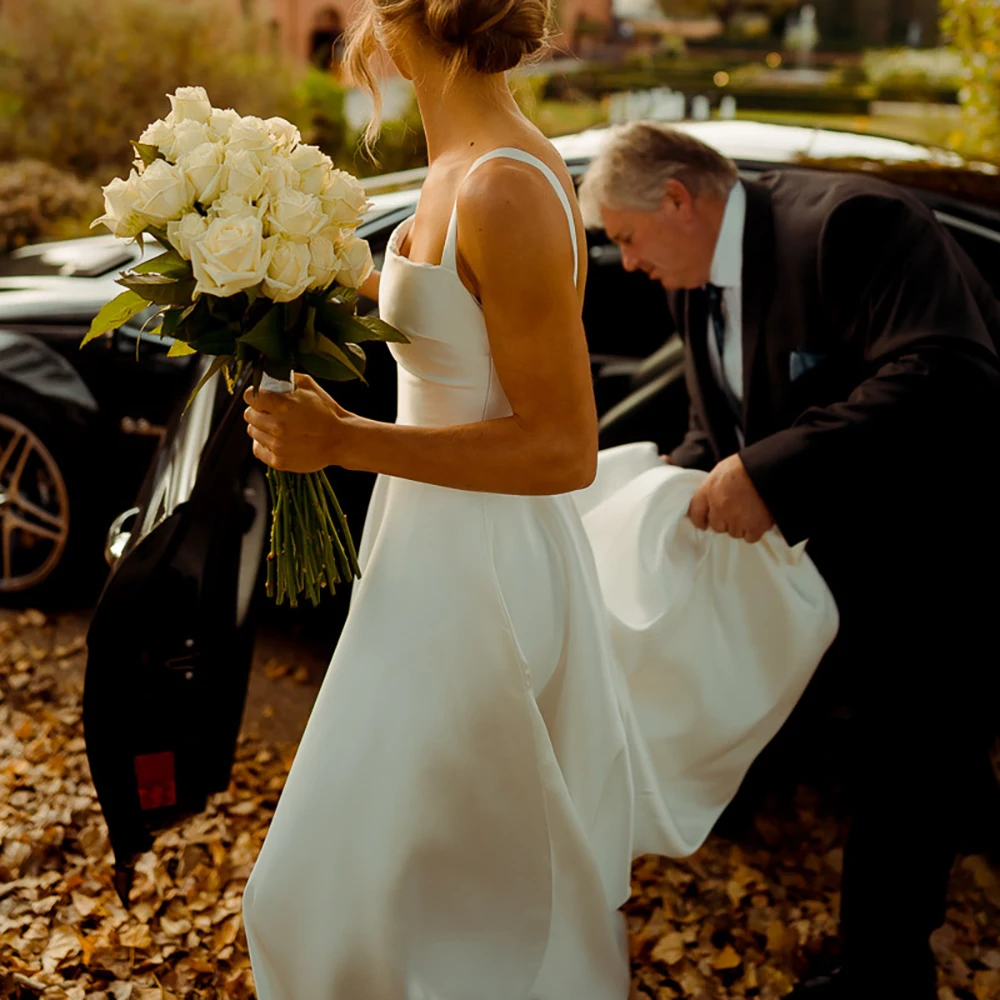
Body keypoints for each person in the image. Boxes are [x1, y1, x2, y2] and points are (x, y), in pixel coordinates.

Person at [238, 3, 837, 994]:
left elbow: (561, 448)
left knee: (407, 889)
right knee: (400, 884)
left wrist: (343, 442)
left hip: (483, 585)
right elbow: (450, 357)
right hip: (418, 559)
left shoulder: (503, 186)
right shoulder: (454, 166)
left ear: (396, 27)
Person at [577, 121, 1000, 999]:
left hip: (941, 550)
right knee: (913, 763)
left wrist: (767, 472)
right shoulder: (691, 283)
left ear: (678, 199)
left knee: (909, 762)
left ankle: (883, 973)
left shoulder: (850, 226)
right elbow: (720, 425)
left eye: (625, 237)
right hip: (824, 569)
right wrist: (667, 484)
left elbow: (947, 371)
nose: (630, 261)